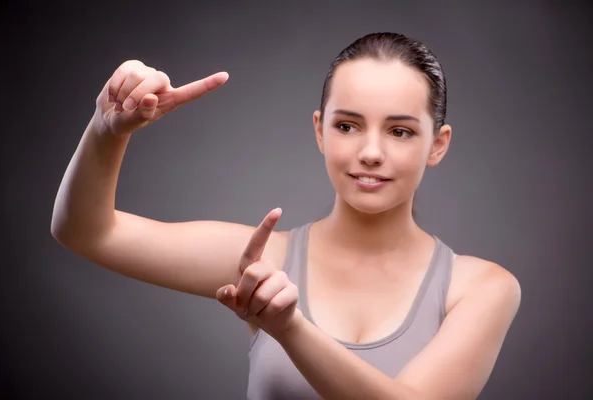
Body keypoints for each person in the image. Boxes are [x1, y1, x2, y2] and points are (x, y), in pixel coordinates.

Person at [51, 32, 521, 399]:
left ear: (437, 145)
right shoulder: (263, 261)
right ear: (320, 131)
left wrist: (290, 329)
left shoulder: (480, 288)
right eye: (347, 125)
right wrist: (107, 129)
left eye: (399, 131)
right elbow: (87, 232)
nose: (371, 152)